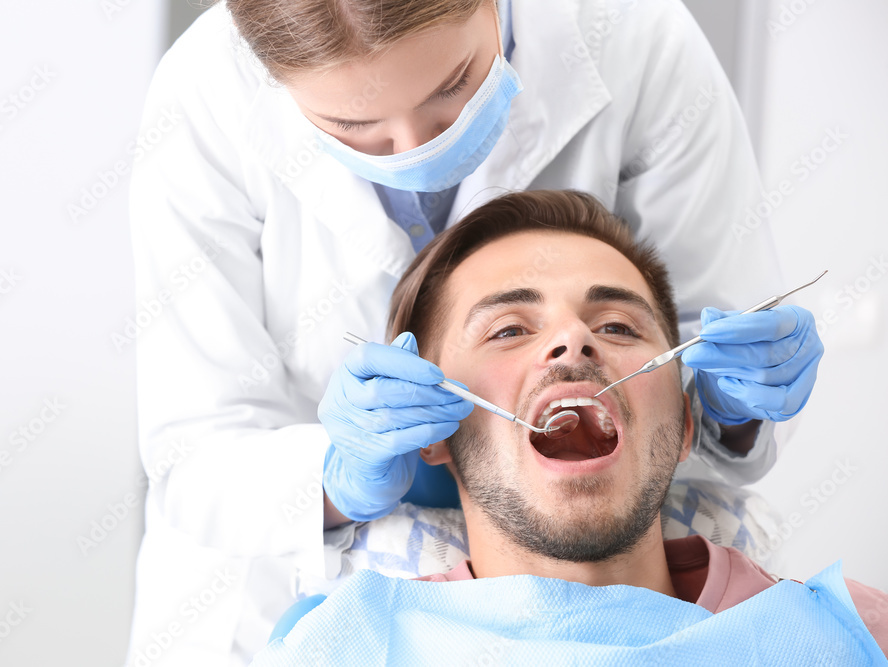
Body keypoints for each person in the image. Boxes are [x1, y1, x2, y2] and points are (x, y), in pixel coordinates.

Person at [126, 1, 824, 663]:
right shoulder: (205, 100)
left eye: (453, 85)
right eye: (351, 126)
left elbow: (711, 325)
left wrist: (731, 407)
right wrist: (341, 473)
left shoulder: (632, 37)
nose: (412, 149)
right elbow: (197, 447)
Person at [255, 190, 887, 664]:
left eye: (618, 326)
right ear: (433, 429)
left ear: (689, 419)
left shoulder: (853, 635)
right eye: (508, 329)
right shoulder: (343, 644)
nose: (574, 340)